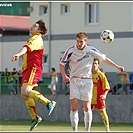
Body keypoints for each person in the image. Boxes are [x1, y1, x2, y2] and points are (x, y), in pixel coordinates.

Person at [59, 32, 124, 132]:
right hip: (74, 80)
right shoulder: (70, 50)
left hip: (87, 81)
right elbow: (61, 64)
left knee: (87, 107)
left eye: (81, 42)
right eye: (77, 41)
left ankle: (87, 130)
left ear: (85, 41)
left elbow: (105, 59)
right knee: (74, 106)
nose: (79, 44)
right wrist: (64, 75)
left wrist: (117, 66)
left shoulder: (90, 50)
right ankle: (74, 130)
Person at [12, 19, 56, 131]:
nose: (32, 27)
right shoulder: (35, 38)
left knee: (26, 91)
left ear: (40, 30)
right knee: (24, 95)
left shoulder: (36, 38)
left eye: (35, 26)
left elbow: (26, 48)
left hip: (33, 69)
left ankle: (49, 102)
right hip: (28, 69)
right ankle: (35, 117)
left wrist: (18, 54)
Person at [91, 58, 110, 132]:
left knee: (103, 112)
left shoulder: (101, 75)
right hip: (89, 98)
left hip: (99, 97)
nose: (94, 65)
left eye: (95, 63)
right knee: (87, 112)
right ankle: (87, 129)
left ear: (98, 65)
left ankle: (107, 129)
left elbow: (107, 87)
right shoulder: (87, 74)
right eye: (93, 63)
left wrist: (104, 95)